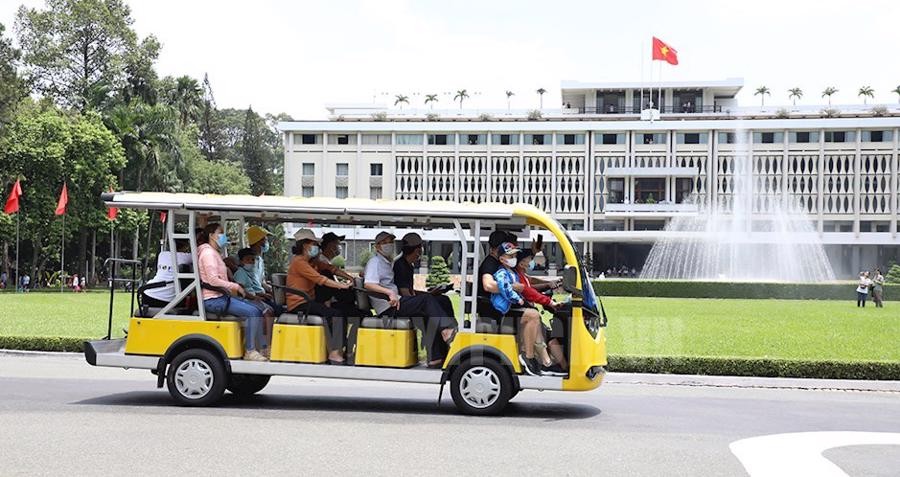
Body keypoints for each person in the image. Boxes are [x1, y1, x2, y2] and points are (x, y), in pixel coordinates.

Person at [364, 231, 457, 367]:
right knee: (427, 301)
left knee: (438, 301)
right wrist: (389, 292)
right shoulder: (375, 262)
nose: (388, 245)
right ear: (376, 246)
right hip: (389, 306)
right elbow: (368, 284)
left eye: (390, 242)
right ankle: (446, 330)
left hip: (396, 302)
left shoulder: (386, 262)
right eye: (384, 243)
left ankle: (436, 357)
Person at [197, 223, 267, 362]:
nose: (224, 236)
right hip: (213, 300)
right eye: (220, 233)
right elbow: (212, 280)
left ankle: (258, 347)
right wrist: (234, 286)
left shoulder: (214, 252)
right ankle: (250, 350)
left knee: (258, 308)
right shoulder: (208, 254)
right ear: (211, 236)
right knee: (253, 312)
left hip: (222, 296)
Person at [286, 229, 351, 365]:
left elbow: (331, 268)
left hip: (309, 301)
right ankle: (334, 352)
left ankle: (339, 349)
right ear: (305, 245)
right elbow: (321, 279)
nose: (317, 247)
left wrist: (350, 278)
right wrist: (342, 286)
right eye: (314, 243)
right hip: (299, 303)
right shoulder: (299, 262)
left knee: (340, 311)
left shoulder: (312, 261)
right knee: (335, 315)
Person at [489, 242, 544, 376]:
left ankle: (542, 359)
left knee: (535, 316)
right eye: (510, 256)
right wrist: (518, 299)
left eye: (514, 255)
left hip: (510, 307)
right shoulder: (501, 272)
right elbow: (506, 288)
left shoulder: (512, 272)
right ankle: (527, 355)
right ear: (502, 259)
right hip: (503, 309)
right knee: (533, 315)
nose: (514, 258)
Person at [514, 249, 568, 376]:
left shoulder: (522, 275)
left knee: (550, 335)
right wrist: (548, 302)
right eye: (529, 260)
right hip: (523, 312)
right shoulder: (517, 276)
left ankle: (563, 367)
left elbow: (531, 283)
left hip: (529, 308)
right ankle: (547, 364)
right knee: (547, 333)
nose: (531, 262)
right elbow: (529, 291)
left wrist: (549, 285)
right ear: (521, 263)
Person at [233, 248, 277, 348]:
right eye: (248, 260)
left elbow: (252, 288)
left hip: (253, 298)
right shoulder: (240, 274)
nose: (251, 262)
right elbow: (242, 291)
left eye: (253, 260)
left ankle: (268, 342)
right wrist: (255, 297)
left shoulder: (250, 273)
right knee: (266, 312)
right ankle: (264, 345)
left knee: (270, 310)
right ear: (241, 261)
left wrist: (261, 295)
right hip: (246, 300)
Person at [142, 239, 193, 307]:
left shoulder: (162, 254)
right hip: (164, 298)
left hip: (147, 292)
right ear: (185, 246)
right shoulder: (186, 257)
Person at [245, 226, 274, 295]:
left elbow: (261, 280)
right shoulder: (246, 259)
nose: (267, 243)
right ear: (257, 242)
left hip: (262, 293)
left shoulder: (260, 260)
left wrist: (269, 288)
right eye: (265, 240)